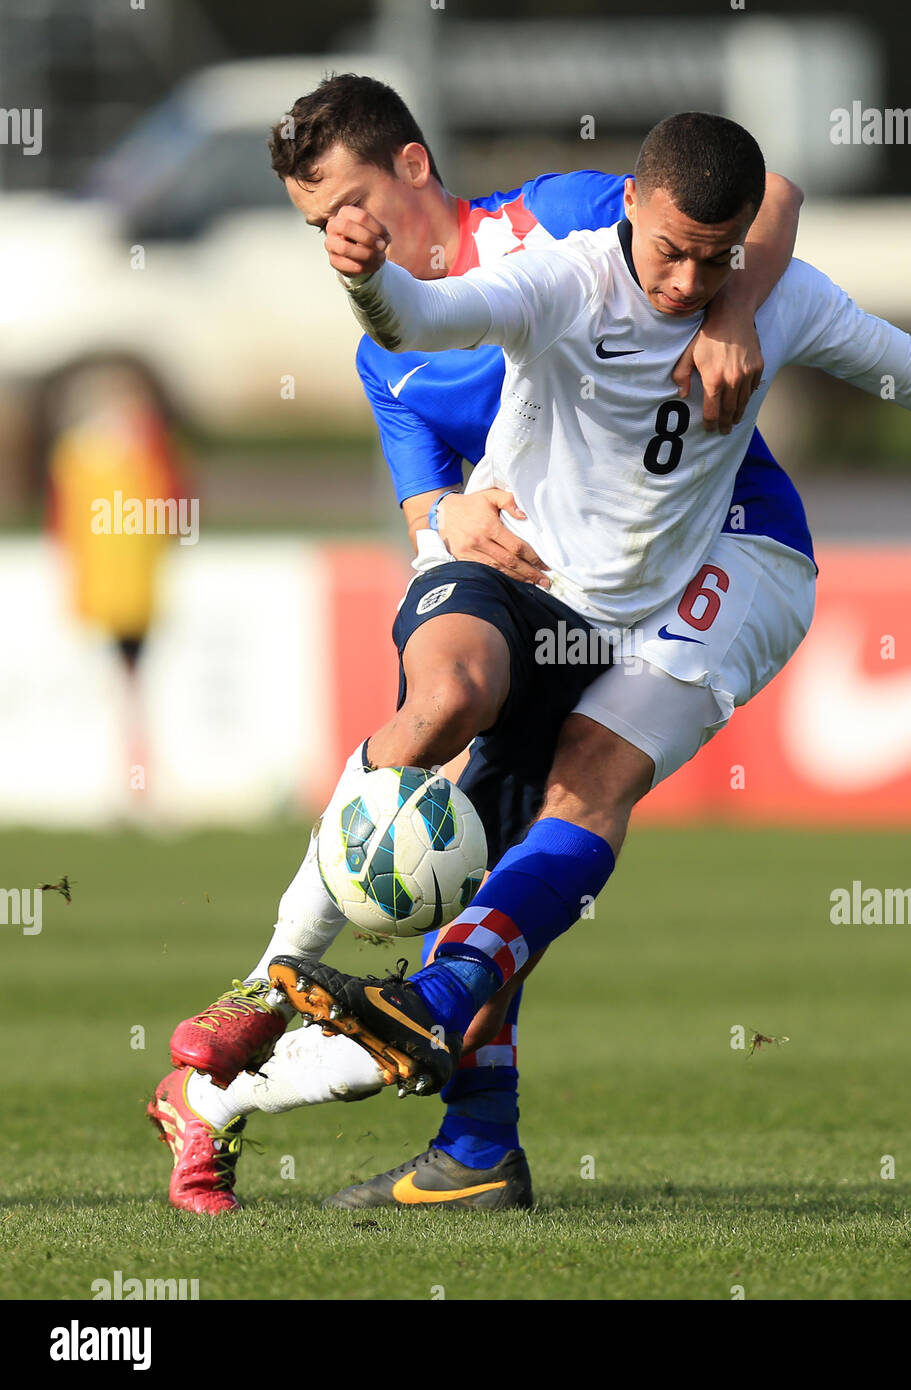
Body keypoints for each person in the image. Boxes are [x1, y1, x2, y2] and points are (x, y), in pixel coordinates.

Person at [265, 109, 911, 1208]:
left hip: (726, 571)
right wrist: (363, 280)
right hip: (575, 596)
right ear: (628, 205)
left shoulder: (772, 295)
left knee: (591, 769)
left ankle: (432, 1002)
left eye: (714, 258)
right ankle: (452, 1123)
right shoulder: (564, 277)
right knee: (487, 785)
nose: (684, 281)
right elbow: (425, 315)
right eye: (670, 249)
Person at [148, 77, 812, 1214]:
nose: (342, 234)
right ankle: (413, 1106)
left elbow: (768, 195)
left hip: (692, 564)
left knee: (507, 897)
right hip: (546, 612)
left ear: (411, 166)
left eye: (351, 201)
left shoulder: (554, 216)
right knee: (473, 814)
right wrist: (443, 517)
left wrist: (734, 312)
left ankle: (241, 1088)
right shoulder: (387, 351)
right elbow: (424, 511)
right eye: (318, 226)